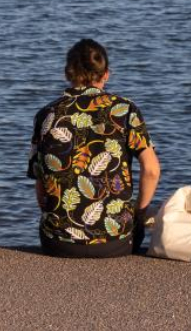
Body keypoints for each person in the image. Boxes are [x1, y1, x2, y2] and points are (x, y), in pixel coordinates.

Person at [28, 39, 160, 258]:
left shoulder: (47, 114)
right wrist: (139, 213)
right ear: (106, 74)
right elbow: (152, 170)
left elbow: (40, 185)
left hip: (57, 243)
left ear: (67, 74)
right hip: (116, 242)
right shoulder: (124, 110)